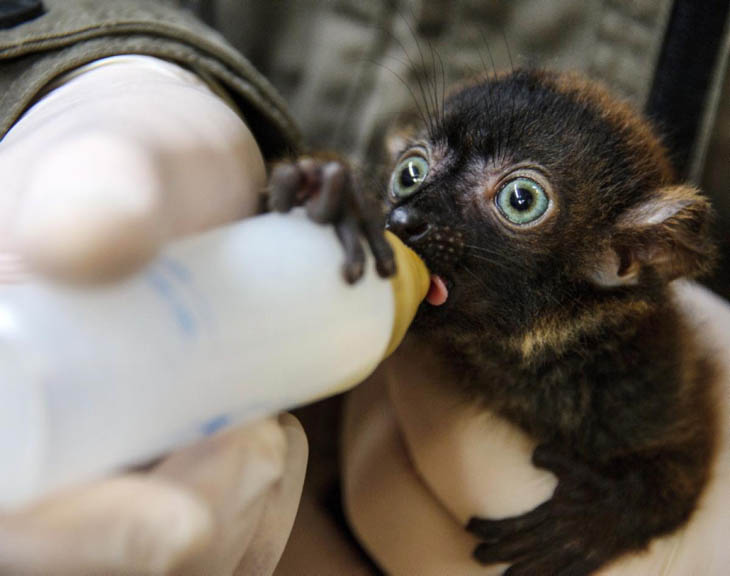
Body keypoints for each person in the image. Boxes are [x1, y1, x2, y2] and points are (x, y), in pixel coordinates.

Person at [0, 1, 727, 574]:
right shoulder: (386, 254)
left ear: (625, 255)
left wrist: (628, 516)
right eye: (415, 172)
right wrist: (96, 62)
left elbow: (665, 470)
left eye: (518, 201)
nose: (409, 214)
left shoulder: (635, 379)